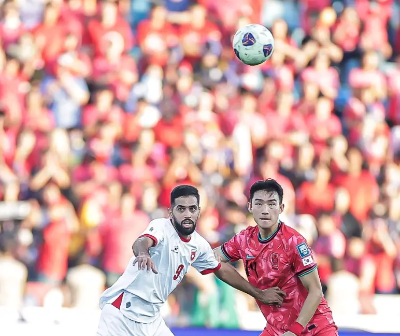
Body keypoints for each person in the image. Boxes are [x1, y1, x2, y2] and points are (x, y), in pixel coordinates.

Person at [96, 184, 286, 336]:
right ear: (171, 212)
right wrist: (144, 254)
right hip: (122, 315)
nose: (187, 214)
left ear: (198, 212)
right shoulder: (161, 227)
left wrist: (258, 293)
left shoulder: (198, 245)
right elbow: (141, 242)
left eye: (192, 209)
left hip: (151, 320)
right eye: (181, 209)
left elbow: (221, 269)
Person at [214, 179, 338, 336]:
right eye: (259, 204)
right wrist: (257, 293)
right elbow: (212, 260)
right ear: (250, 207)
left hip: (314, 328)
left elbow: (316, 291)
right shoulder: (243, 239)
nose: (265, 210)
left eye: (271, 204)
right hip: (277, 329)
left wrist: (294, 331)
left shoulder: (294, 241)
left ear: (281, 208)